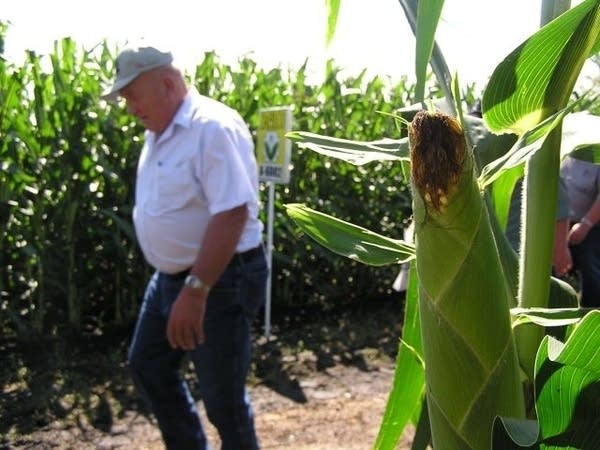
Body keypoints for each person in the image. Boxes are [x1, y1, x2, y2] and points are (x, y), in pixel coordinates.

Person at [101, 45, 268, 450]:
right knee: (149, 365)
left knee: (223, 403)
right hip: (172, 278)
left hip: (218, 279)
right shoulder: (159, 130)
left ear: (168, 84)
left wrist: (196, 290)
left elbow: (231, 214)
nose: (129, 107)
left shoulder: (210, 128)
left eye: (133, 95)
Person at [552, 155, 600, 307]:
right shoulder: (563, 148)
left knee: (590, 264)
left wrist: (584, 226)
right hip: (557, 220)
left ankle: (592, 312)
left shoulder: (595, 152)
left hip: (589, 224)